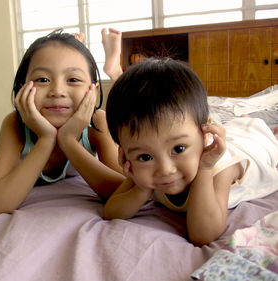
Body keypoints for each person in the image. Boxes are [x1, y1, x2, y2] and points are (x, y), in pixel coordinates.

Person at [103, 57, 278, 246]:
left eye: (178, 149)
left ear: (205, 137)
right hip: (224, 136)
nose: (165, 169)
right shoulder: (143, 170)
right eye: (145, 157)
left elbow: (202, 234)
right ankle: (242, 120)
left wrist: (205, 168)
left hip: (253, 142)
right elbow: (111, 212)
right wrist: (143, 187)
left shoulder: (220, 168)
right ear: (124, 154)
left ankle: (252, 122)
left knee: (264, 131)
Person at [0, 28, 125, 216]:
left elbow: (126, 192)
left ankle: (115, 71)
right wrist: (46, 139)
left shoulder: (97, 122)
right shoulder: (14, 125)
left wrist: (68, 141)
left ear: (94, 91)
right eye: (43, 79)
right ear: (22, 88)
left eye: (73, 79)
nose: (57, 91)